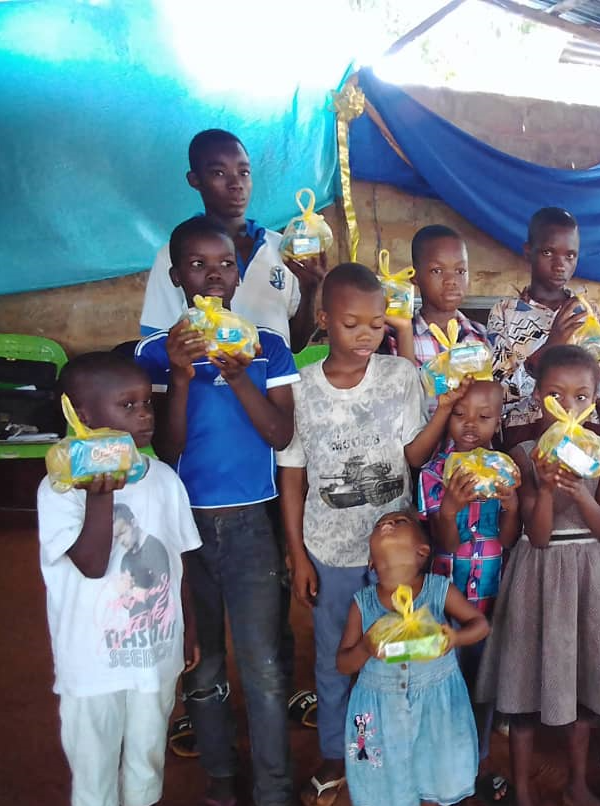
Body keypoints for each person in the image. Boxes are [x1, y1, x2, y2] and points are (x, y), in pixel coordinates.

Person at [277, 262, 466, 806]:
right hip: (331, 550)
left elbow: (414, 455)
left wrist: (443, 411)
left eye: (377, 324)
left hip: (396, 554)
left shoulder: (399, 375)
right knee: (337, 658)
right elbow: (292, 476)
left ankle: (403, 748)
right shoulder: (301, 389)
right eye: (351, 324)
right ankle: (338, 753)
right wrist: (298, 555)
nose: (366, 336)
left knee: (402, 650)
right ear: (323, 320)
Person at [135, 216, 299, 806]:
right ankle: (221, 778)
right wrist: (181, 377)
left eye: (226, 264)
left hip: (253, 523)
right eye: (198, 265)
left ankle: (275, 788)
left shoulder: (266, 345)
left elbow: (281, 434)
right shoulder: (158, 354)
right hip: (185, 528)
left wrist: (239, 375)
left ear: (238, 273)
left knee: (263, 664)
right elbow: (167, 448)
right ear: (176, 276)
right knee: (203, 662)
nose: (214, 275)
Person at [37, 352, 201, 806]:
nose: (145, 414)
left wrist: (188, 629)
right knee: (94, 767)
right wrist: (100, 494)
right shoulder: (60, 489)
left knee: (147, 758)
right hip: (92, 665)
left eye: (146, 402)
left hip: (155, 654)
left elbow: (179, 561)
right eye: (127, 405)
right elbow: (91, 564)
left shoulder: (163, 480)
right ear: (82, 415)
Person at [476, 345, 600, 806]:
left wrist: (581, 493)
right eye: (556, 396)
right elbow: (539, 535)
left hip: (590, 576)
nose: (569, 407)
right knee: (525, 688)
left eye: (581, 397)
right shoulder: (525, 454)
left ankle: (576, 785)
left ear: (595, 399)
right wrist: (546, 488)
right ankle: (524, 791)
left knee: (585, 687)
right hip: (539, 577)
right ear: (536, 397)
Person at [336, 510, 490, 806]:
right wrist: (365, 648)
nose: (387, 524)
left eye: (399, 522)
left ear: (422, 552)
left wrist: (456, 638)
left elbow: (481, 625)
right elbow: (342, 664)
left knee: (435, 772)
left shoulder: (438, 590)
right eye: (380, 524)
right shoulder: (362, 604)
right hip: (379, 712)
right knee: (384, 784)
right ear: (371, 562)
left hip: (437, 706)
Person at [417, 379, 520, 802]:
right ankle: (443, 768)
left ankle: (476, 763)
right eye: (459, 415)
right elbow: (443, 545)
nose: (470, 425)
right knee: (445, 685)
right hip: (447, 603)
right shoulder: (433, 473)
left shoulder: (504, 472)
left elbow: (508, 540)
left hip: (490, 598)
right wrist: (450, 511)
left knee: (482, 684)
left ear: (499, 421)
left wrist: (512, 508)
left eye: (484, 416)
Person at [139, 128, 324, 352]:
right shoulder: (175, 254)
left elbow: (294, 346)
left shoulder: (281, 248)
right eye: (219, 173)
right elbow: (161, 345)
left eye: (244, 172)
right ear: (195, 180)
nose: (236, 183)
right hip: (204, 374)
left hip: (273, 374)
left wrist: (309, 289)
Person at [488, 207, 600, 447]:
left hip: (584, 440)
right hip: (525, 438)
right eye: (548, 252)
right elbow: (498, 395)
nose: (560, 265)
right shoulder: (505, 312)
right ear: (528, 252)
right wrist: (550, 347)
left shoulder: (591, 314)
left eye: (570, 255)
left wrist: (587, 364)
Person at [407, 225, 489, 409]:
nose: (451, 280)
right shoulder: (399, 337)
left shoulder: (480, 336)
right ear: (415, 276)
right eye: (437, 270)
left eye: (460, 271)